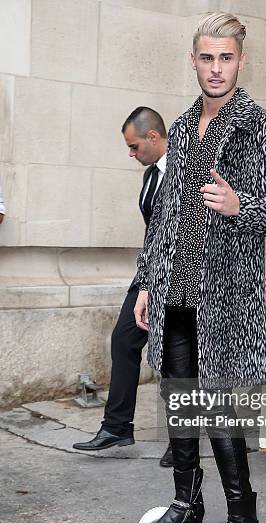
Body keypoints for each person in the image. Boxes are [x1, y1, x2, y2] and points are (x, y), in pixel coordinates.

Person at [131, 12, 266, 523]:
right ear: (193, 59)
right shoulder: (177, 128)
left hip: (224, 297)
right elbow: (168, 216)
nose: (216, 68)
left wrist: (238, 205)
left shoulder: (262, 129)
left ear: (241, 60)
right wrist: (150, 282)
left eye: (226, 58)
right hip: (177, 288)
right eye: (207, 57)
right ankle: (186, 503)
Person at [73, 107, 173, 468]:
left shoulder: (189, 169)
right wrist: (145, 281)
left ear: (152, 137)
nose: (130, 154)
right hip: (150, 274)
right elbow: (153, 233)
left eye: (133, 146)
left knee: (177, 359)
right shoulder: (151, 175)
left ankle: (181, 440)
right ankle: (117, 426)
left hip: (180, 277)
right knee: (124, 339)